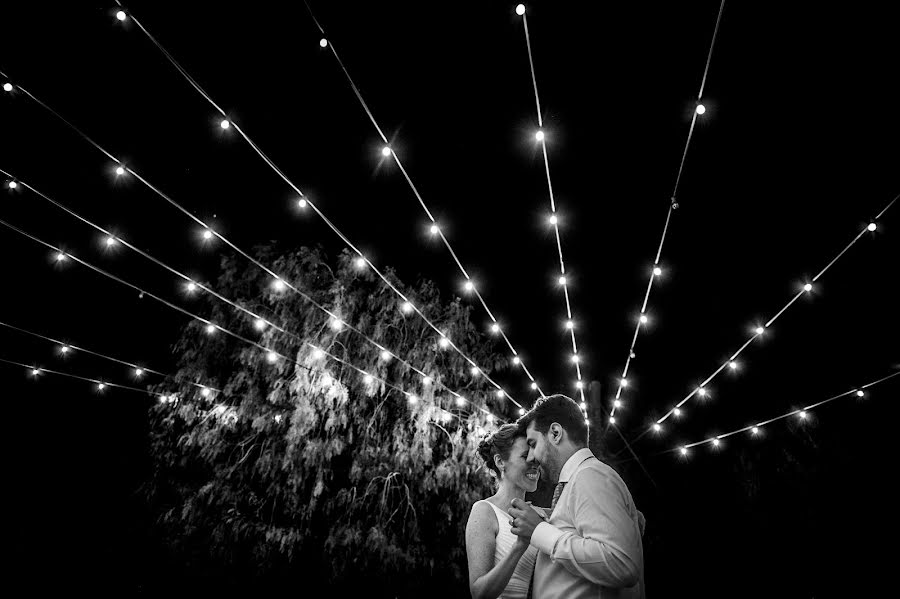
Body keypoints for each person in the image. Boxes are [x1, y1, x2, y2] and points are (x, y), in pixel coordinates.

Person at [508, 395, 646, 598]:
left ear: (555, 433)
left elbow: (622, 563)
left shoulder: (590, 476)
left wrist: (539, 531)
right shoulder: (578, 481)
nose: (530, 457)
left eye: (533, 443)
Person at [465, 423, 547, 599]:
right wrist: (520, 546)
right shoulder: (484, 511)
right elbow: (479, 593)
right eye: (525, 456)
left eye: (536, 455)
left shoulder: (540, 516)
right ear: (500, 461)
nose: (535, 462)